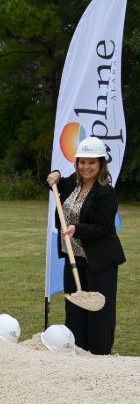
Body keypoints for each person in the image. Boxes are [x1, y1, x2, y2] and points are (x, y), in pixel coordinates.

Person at [47, 136, 125, 355]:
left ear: (100, 164)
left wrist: (76, 229)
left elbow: (103, 227)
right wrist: (56, 174)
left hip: (100, 261)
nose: (86, 167)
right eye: (82, 162)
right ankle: (78, 354)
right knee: (74, 310)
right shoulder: (74, 182)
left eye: (92, 162)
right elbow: (56, 182)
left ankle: (99, 358)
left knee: (99, 312)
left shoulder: (106, 192)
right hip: (74, 258)